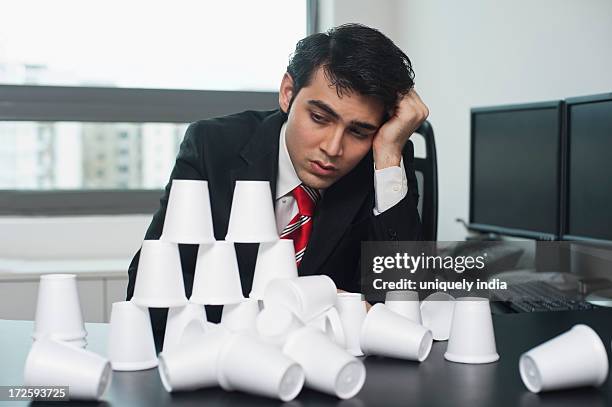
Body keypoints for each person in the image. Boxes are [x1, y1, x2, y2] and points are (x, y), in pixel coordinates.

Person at [126, 23, 429, 343]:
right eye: (319, 118)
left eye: (358, 132)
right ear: (288, 93)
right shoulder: (213, 147)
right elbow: (149, 292)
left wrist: (389, 155)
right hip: (224, 363)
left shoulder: (383, 159)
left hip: (332, 371)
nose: (333, 148)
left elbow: (406, 304)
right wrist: (294, 309)